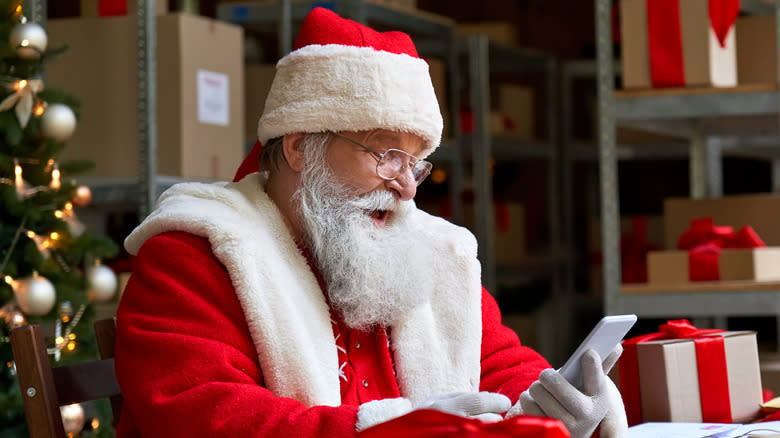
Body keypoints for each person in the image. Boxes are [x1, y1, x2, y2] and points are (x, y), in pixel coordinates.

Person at [113, 7, 627, 438]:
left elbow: (494, 360)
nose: (406, 185)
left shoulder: (427, 250)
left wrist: (551, 398)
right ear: (299, 147)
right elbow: (204, 417)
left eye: (417, 163)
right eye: (386, 156)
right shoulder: (196, 253)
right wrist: (386, 427)